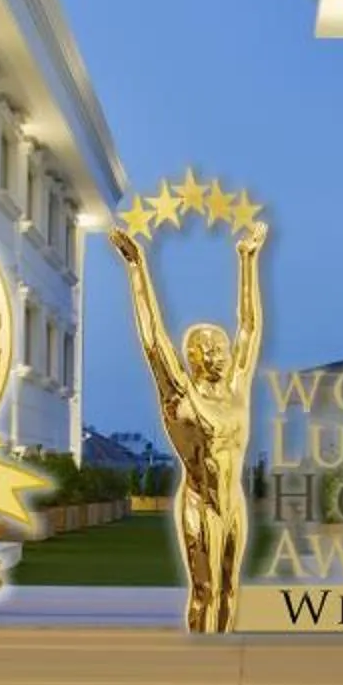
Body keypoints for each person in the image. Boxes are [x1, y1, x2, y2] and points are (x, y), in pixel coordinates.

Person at [108, 215, 265, 631]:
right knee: (205, 591)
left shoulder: (237, 389)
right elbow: (154, 341)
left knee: (230, 591)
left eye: (221, 346)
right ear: (193, 356)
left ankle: (225, 657)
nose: (220, 353)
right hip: (201, 503)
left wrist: (248, 260)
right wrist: (137, 268)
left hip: (234, 503)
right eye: (209, 348)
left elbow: (249, 328)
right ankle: (201, 656)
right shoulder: (181, 397)